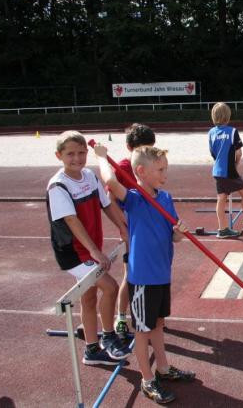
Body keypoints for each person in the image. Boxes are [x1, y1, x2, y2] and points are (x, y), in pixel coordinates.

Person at [94, 143, 196, 405]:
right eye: (160, 170)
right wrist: (102, 157)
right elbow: (110, 181)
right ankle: (147, 380)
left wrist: (180, 233)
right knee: (142, 331)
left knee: (158, 324)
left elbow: (173, 237)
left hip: (162, 274)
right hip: (143, 279)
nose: (165, 174)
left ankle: (163, 368)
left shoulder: (165, 198)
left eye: (166, 169)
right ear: (141, 171)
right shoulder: (134, 198)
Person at [45, 130, 132, 366]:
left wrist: (122, 228)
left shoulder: (90, 176)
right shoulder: (58, 186)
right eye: (70, 154)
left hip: (90, 245)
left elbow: (107, 205)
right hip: (73, 251)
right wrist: (94, 251)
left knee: (89, 296)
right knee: (110, 287)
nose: (77, 158)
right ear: (59, 156)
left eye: (81, 153)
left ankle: (92, 349)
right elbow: (71, 221)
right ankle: (109, 337)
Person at [112, 123, 156, 340]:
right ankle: (121, 317)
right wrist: (122, 226)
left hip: (150, 230)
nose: (147, 153)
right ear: (130, 148)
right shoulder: (121, 167)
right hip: (133, 232)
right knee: (130, 275)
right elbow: (110, 199)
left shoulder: (152, 165)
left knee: (152, 274)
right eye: (142, 149)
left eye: (150, 149)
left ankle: (152, 315)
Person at [208, 102, 243, 238]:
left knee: (222, 198)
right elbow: (238, 153)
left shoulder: (211, 133)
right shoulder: (232, 131)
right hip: (229, 170)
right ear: (227, 116)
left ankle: (222, 229)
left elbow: (212, 152)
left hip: (217, 170)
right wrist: (235, 164)